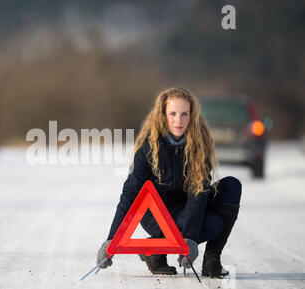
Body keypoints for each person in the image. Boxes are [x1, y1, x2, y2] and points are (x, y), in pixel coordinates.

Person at [96, 87, 242, 278]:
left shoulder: (199, 147)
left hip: (187, 210)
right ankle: (155, 249)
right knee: (212, 224)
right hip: (156, 215)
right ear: (163, 115)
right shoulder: (149, 147)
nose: (178, 121)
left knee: (232, 185)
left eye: (184, 114)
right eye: (172, 114)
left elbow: (198, 195)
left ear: (192, 116)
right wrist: (111, 240)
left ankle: (212, 261)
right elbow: (130, 193)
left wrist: (189, 239)